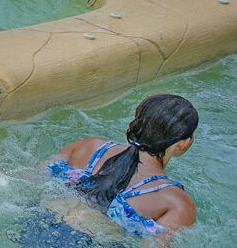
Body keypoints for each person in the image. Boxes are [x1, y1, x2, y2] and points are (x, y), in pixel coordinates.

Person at [47, 94, 198, 236]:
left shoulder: (90, 146)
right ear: (184, 143)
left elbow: (34, 176)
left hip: (42, 221)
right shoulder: (178, 203)